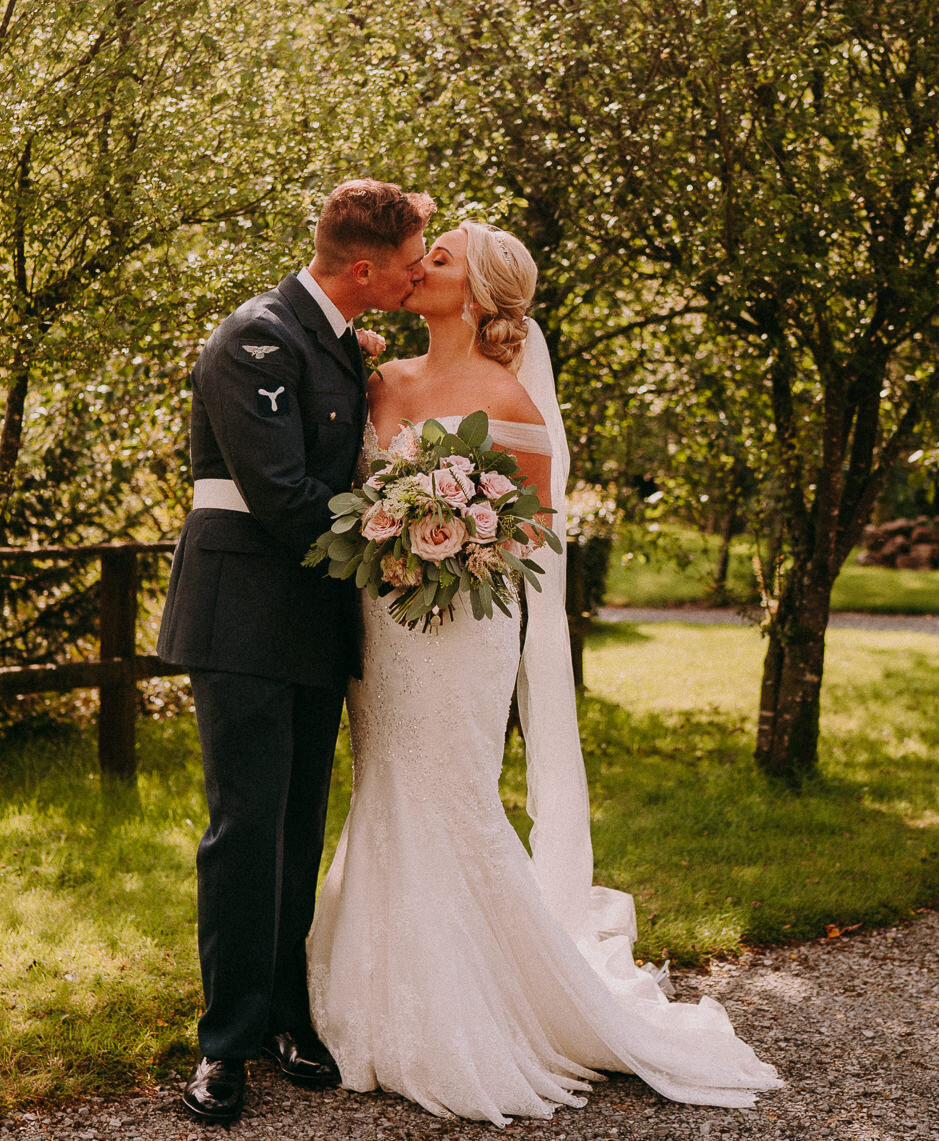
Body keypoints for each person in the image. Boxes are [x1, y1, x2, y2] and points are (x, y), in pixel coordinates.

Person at [306, 221, 784, 1122]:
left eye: (438, 258)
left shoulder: (505, 395)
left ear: (479, 295)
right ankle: (372, 992)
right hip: (383, 630)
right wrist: (396, 531)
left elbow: (527, 531)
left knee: (452, 795)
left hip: (459, 628)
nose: (419, 266)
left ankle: (477, 1012)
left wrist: (440, 541)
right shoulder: (381, 381)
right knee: (385, 788)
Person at [156, 178, 434, 1125]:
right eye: (404, 266)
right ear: (363, 268)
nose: (412, 279)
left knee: (298, 826)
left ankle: (285, 1014)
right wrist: (402, 540)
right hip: (242, 612)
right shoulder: (256, 338)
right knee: (244, 829)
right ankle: (223, 1046)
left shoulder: (336, 342)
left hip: (314, 614)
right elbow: (277, 493)